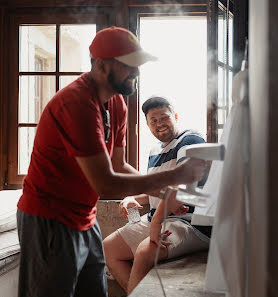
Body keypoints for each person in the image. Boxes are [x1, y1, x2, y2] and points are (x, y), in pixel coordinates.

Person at [16, 27, 205, 297]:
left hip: (84, 216)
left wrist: (164, 194)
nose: (137, 72)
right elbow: (105, 183)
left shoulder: (117, 104)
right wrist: (174, 177)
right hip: (48, 218)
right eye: (130, 65)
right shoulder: (77, 103)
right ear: (102, 65)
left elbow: (118, 166)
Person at [103, 96, 212, 294]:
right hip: (158, 217)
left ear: (175, 116)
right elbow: (156, 191)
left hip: (189, 221)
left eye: (164, 117)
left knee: (145, 252)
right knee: (108, 248)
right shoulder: (154, 152)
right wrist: (133, 198)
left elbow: (178, 189)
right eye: (153, 121)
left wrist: (156, 224)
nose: (159, 124)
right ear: (147, 124)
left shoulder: (190, 139)